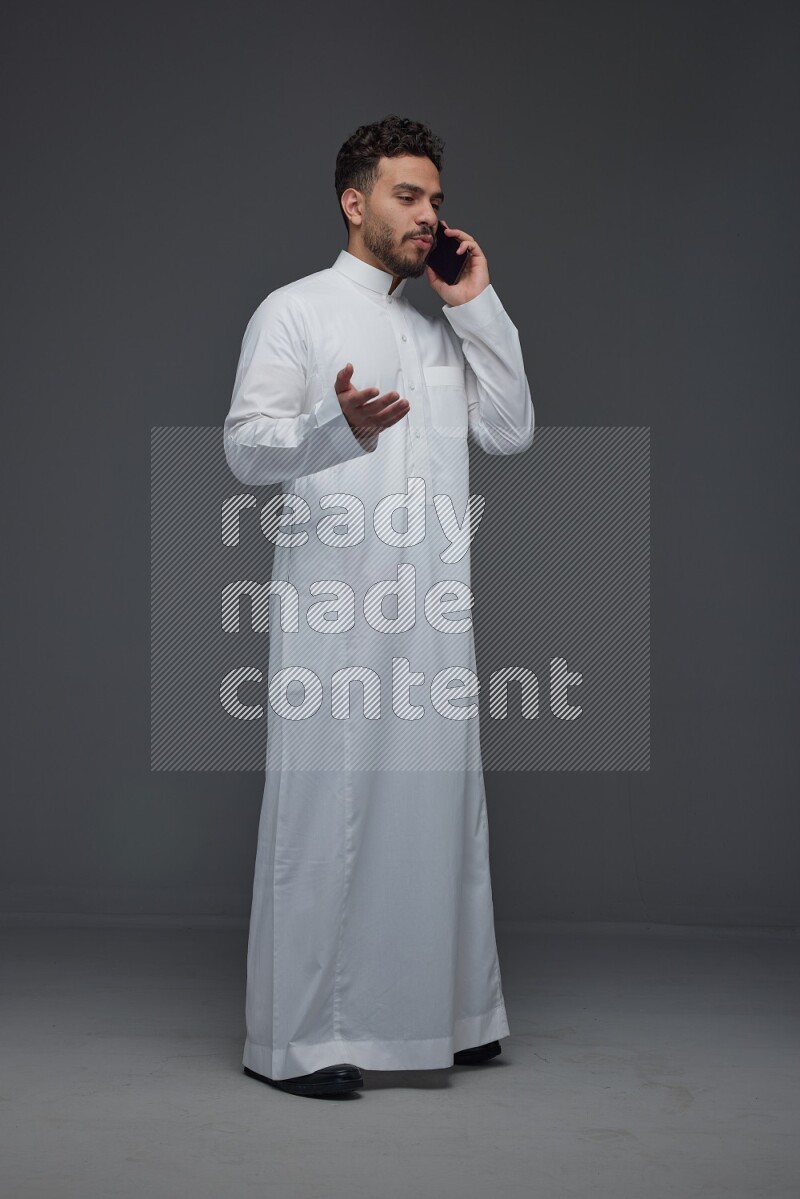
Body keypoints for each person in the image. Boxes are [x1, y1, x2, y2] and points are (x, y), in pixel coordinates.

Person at [223, 114, 535, 1099]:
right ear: (354, 202)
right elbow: (245, 447)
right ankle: (298, 1038)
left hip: (431, 605)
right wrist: (332, 425)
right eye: (408, 195)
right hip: (334, 603)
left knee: (438, 805)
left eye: (435, 199)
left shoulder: (437, 325)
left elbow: (511, 430)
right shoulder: (296, 311)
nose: (428, 214)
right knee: (326, 812)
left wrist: (478, 307)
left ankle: (456, 1016)